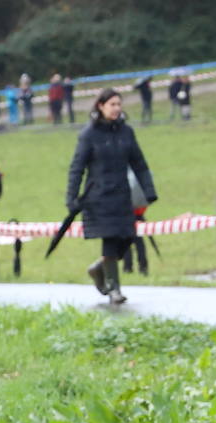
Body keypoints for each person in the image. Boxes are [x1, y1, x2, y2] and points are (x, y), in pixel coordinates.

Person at [66, 89, 156, 307]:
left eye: (118, 104)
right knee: (110, 239)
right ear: (101, 106)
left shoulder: (127, 132)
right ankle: (114, 288)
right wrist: (72, 197)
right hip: (98, 196)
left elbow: (139, 164)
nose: (116, 108)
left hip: (122, 194)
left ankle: (99, 268)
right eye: (112, 104)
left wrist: (149, 190)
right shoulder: (89, 134)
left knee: (127, 236)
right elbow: (77, 168)